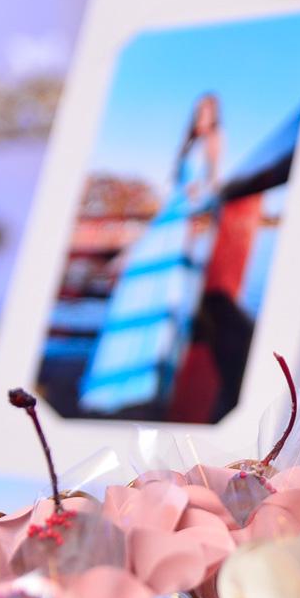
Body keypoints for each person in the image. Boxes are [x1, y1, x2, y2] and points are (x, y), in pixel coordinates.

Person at [78, 93, 225, 417]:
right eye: (198, 111)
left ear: (215, 115)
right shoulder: (190, 143)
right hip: (169, 218)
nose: (201, 117)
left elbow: (212, 185)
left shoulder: (214, 140)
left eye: (207, 111)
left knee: (163, 293)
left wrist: (198, 204)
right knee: (138, 284)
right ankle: (120, 377)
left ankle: (145, 380)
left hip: (182, 223)